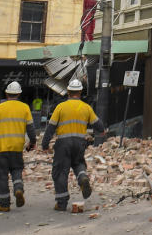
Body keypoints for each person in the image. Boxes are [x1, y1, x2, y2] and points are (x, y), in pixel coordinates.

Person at [41, 79, 106, 211]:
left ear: (68, 92)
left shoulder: (60, 107)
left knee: (60, 172)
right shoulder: (86, 107)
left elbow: (51, 128)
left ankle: (61, 203)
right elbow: (99, 126)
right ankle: (82, 177)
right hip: (80, 143)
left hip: (63, 144)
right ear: (80, 92)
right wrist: (102, 131)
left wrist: (45, 144)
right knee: (78, 163)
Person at [0, 82, 36, 212]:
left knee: (2, 175)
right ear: (19, 94)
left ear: (7, 93)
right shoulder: (25, 108)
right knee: (16, 170)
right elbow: (31, 129)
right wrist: (32, 142)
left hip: (1, 148)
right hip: (17, 148)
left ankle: (4, 204)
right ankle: (18, 189)